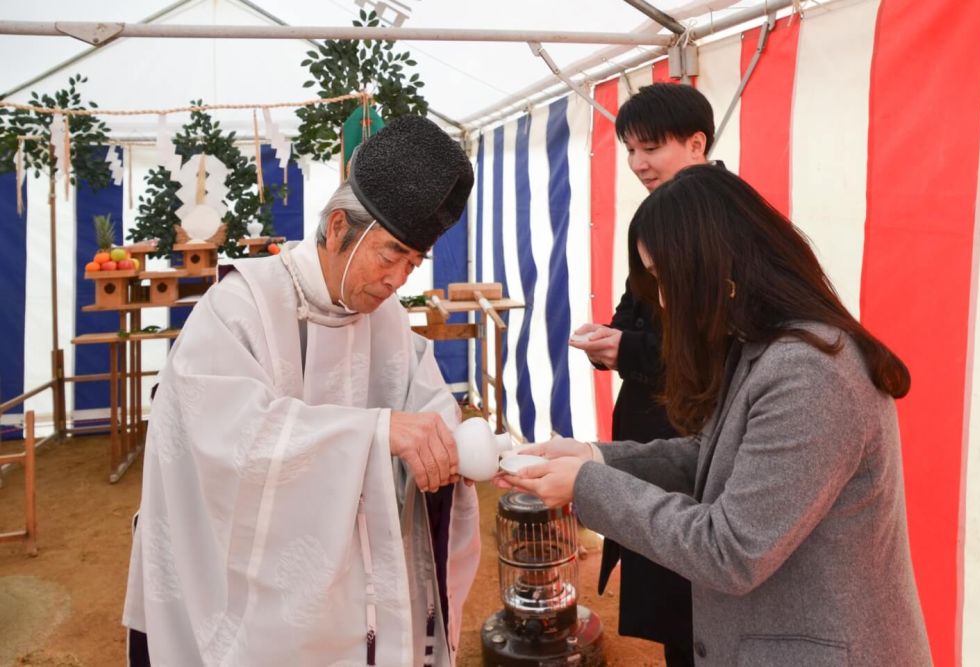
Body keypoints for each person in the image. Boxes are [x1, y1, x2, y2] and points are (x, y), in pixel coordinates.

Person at [504, 165, 932, 665]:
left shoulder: (810, 373)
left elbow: (730, 551)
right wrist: (594, 456)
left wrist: (587, 485)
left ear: (716, 268)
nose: (663, 300)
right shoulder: (762, 345)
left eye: (666, 278)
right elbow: (709, 457)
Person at [123, 115, 481, 666]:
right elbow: (226, 439)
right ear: (338, 227)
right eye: (390, 256)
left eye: (413, 264)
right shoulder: (240, 306)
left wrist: (447, 441)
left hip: (340, 580)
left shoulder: (382, 316)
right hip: (239, 580)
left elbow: (423, 396)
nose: (397, 281)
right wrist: (376, 432)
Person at [569, 82, 714, 666]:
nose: (636, 164)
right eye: (629, 149)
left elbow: (714, 349)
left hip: (697, 439)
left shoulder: (721, 220)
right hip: (655, 435)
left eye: (650, 148)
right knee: (673, 609)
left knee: (697, 604)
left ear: (697, 143)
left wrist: (627, 349)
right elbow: (636, 316)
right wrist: (610, 340)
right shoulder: (657, 214)